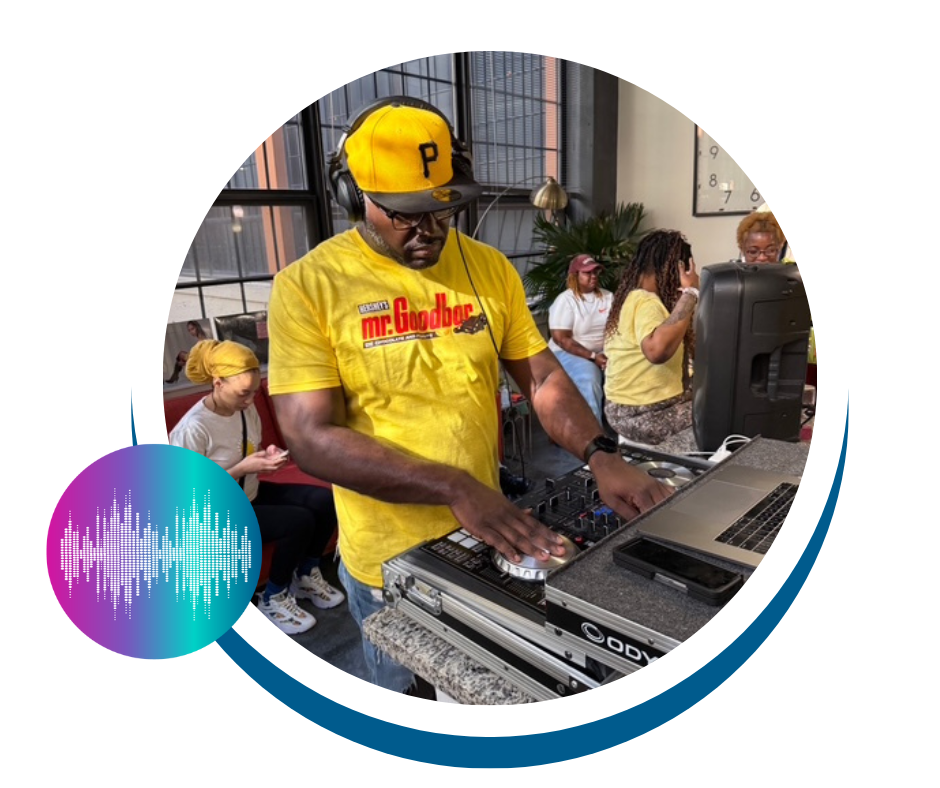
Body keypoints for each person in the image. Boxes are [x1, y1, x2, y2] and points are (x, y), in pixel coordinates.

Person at [266, 97, 670, 695]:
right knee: (400, 697)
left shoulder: (487, 266)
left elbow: (542, 378)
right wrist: (453, 487)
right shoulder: (307, 286)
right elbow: (310, 438)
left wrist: (600, 453)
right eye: (404, 214)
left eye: (442, 209)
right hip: (387, 559)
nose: (428, 230)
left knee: (473, 692)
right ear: (357, 197)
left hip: (481, 533)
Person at [168, 339, 344, 635]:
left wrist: (266, 455)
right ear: (218, 382)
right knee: (298, 522)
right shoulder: (192, 429)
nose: (250, 401)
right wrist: (243, 468)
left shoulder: (242, 409)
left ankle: (305, 575)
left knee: (324, 501)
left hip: (248, 493)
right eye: (243, 394)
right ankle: (273, 596)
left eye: (253, 392)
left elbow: (250, 448)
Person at [603, 230, 699, 445]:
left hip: (629, 407)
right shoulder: (645, 302)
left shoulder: (634, 297)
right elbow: (657, 351)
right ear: (677, 267)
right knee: (717, 416)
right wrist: (691, 292)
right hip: (642, 412)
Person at [736, 210, 815, 364]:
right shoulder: (735, 282)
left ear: (780, 248)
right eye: (753, 251)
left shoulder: (795, 279)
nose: (762, 257)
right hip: (745, 359)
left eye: (771, 250)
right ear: (742, 250)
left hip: (787, 358)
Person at [547, 254, 613, 425]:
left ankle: (624, 430)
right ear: (575, 276)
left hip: (602, 352)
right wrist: (593, 357)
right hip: (567, 353)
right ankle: (594, 436)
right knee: (589, 378)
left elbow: (617, 329)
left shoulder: (608, 297)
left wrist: (611, 354)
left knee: (627, 372)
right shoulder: (566, 301)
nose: (593, 276)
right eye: (588, 273)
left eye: (596, 272)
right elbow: (562, 339)